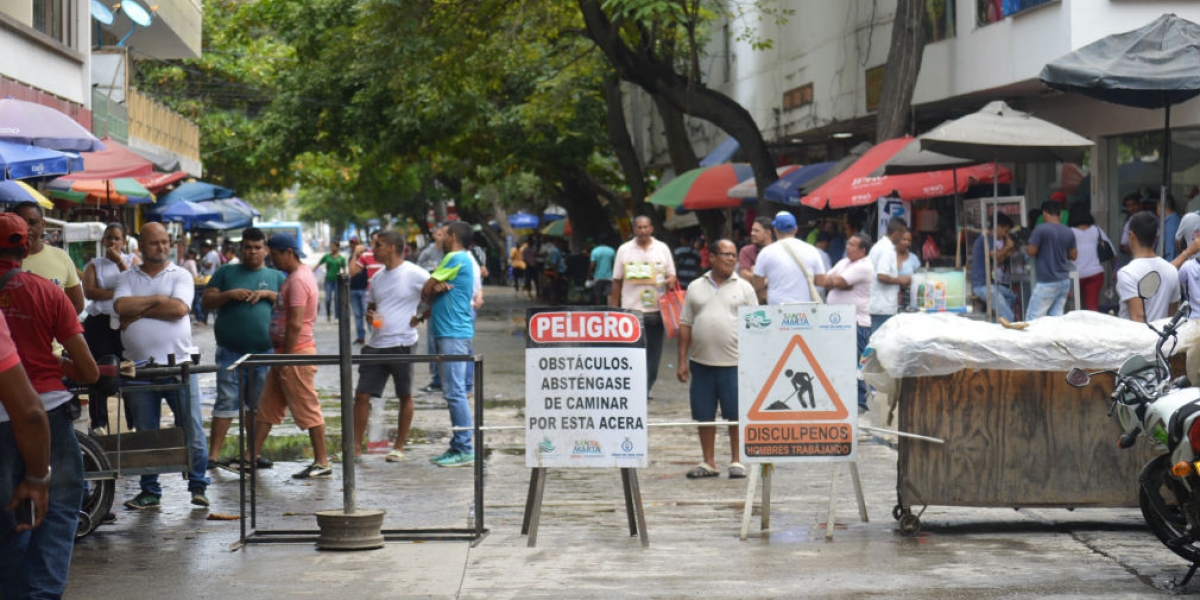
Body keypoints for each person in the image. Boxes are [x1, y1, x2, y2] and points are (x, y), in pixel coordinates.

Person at [0, 212, 95, 600]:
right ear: (25, 246)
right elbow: (88, 371)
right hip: (47, 414)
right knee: (55, 515)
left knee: (15, 519)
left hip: (2, 423)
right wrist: (56, 362)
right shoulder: (47, 292)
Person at [114, 222, 211, 509]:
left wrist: (142, 307)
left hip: (178, 365)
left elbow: (179, 309)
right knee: (146, 432)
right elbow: (121, 308)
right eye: (155, 243)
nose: (162, 247)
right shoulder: (126, 277)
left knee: (191, 427)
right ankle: (150, 491)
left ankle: (198, 485)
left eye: (165, 242)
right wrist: (159, 302)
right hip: (138, 368)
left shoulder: (180, 274)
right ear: (141, 247)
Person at [247, 234, 331, 479]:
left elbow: (295, 323)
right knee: (267, 407)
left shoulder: (298, 280)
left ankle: (322, 461)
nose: (273, 261)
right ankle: (249, 456)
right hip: (284, 353)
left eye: (275, 256)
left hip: (294, 353)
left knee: (307, 406)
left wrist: (286, 358)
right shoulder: (295, 278)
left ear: (288, 252)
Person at [201, 228, 285, 471]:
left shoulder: (276, 276)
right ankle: (213, 456)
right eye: (248, 247)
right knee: (225, 401)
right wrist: (229, 295)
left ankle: (252, 454)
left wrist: (270, 295)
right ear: (241, 249)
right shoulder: (226, 272)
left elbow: (292, 304)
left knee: (257, 405)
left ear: (265, 250)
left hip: (264, 351)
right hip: (230, 350)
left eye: (258, 248)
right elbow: (206, 300)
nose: (253, 252)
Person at [677, 239, 757, 480]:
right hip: (701, 362)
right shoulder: (695, 287)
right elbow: (686, 323)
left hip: (734, 362)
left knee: (735, 413)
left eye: (734, 255)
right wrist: (682, 359)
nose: (731, 259)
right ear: (711, 257)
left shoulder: (744, 288)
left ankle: (736, 460)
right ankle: (709, 461)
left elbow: (756, 325)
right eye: (725, 254)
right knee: (704, 414)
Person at [352, 230, 429, 462]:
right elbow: (372, 307)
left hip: (403, 342)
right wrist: (371, 316)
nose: (373, 250)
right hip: (376, 344)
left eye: (377, 246)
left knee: (404, 395)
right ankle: (355, 446)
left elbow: (439, 291)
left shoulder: (415, 273)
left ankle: (399, 447)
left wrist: (422, 317)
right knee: (362, 395)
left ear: (392, 248)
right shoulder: (377, 278)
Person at [421, 221, 477, 467]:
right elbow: (430, 290)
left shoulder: (455, 257)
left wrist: (433, 287)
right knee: (453, 391)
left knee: (455, 392)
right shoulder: (460, 259)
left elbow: (425, 289)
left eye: (443, 235)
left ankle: (464, 447)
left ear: (452, 236)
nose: (439, 239)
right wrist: (436, 288)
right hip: (450, 332)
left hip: (453, 333)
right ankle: (458, 444)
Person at [81, 222, 140, 434]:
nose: (113, 242)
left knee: (128, 368)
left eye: (117, 238)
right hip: (99, 322)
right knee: (100, 369)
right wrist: (116, 293)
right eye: (109, 237)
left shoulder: (131, 261)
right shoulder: (94, 265)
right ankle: (99, 422)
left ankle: (134, 421)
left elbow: (136, 285)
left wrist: (119, 265)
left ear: (124, 242)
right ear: (103, 241)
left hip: (124, 321)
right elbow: (89, 291)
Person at [611, 215, 676, 395]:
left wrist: (669, 280)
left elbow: (672, 275)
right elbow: (616, 281)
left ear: (652, 228)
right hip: (631, 311)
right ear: (634, 230)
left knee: (653, 355)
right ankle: (633, 389)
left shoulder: (662, 249)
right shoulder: (624, 250)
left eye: (646, 227)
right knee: (633, 353)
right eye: (639, 228)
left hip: (656, 310)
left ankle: (646, 387)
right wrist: (614, 309)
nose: (643, 231)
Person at [815, 232, 874, 412]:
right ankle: (844, 400)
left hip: (856, 322)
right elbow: (823, 280)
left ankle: (860, 403)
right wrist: (837, 283)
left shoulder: (864, 265)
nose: (847, 247)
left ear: (862, 250)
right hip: (837, 321)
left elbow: (838, 281)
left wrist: (838, 283)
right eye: (847, 244)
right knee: (838, 362)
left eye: (852, 245)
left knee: (855, 363)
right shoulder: (844, 262)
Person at [13, 202, 84, 315]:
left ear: (43, 224)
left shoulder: (61, 257)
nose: (27, 228)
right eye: (21, 222)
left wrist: (56, 326)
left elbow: (77, 304)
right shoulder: (5, 260)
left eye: (32, 223)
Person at [752, 211, 826, 306]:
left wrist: (769, 293)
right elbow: (821, 281)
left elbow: (757, 285)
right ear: (796, 229)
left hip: (777, 309)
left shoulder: (766, 252)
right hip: (806, 310)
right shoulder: (812, 250)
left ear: (775, 230)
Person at [1118, 211, 1180, 323]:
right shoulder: (1171, 270)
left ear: (1131, 235)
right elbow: (1172, 317)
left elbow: (1138, 317)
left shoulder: (1127, 273)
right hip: (1164, 338)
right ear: (1156, 238)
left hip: (1138, 339)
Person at [1025, 201, 1079, 319]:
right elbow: (1074, 255)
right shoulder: (1068, 231)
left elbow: (1031, 251)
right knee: (1055, 319)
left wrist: (1028, 245)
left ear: (1044, 214)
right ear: (1060, 215)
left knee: (1033, 319)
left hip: (1047, 282)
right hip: (1064, 281)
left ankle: (1036, 338)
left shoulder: (1040, 229)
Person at [970, 214, 1019, 321]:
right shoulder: (986, 239)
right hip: (982, 285)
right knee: (1008, 316)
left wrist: (1008, 252)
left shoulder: (989, 239)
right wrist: (1007, 247)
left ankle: (997, 321)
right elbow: (995, 257)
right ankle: (1002, 328)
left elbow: (997, 261)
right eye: (1005, 231)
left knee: (1011, 296)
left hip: (988, 283)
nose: (1005, 235)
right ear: (998, 228)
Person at [417, 225, 446, 394]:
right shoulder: (428, 253)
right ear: (434, 235)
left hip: (446, 300)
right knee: (433, 341)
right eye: (439, 234)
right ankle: (436, 378)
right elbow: (419, 270)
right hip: (432, 298)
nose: (442, 237)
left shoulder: (452, 255)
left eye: (445, 234)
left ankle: (446, 379)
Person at [867, 218, 909, 333]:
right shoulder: (886, 250)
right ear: (896, 233)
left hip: (877, 304)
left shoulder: (880, 246)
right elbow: (882, 276)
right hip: (882, 306)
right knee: (879, 341)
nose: (902, 239)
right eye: (902, 234)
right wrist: (900, 280)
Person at [1069, 208, 1114, 312]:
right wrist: (1114, 270)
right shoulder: (1096, 230)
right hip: (1095, 274)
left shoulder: (1070, 232)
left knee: (1076, 308)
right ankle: (1093, 327)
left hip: (1076, 275)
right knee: (1092, 308)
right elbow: (1112, 251)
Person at [349, 232, 385, 344]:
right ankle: (376, 344)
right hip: (373, 299)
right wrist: (355, 254)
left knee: (383, 326)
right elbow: (352, 272)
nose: (377, 244)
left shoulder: (389, 256)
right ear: (371, 242)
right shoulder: (366, 256)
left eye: (380, 242)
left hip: (387, 298)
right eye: (375, 242)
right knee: (375, 324)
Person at [347, 236, 370, 344]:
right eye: (351, 243)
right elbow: (351, 272)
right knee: (357, 315)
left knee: (368, 313)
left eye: (355, 243)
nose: (353, 245)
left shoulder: (367, 257)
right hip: (354, 288)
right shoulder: (352, 257)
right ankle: (361, 337)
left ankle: (373, 336)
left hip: (365, 289)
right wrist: (355, 255)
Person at [317, 240, 346, 321]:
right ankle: (328, 314)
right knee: (328, 299)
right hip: (328, 280)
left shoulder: (341, 258)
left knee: (337, 299)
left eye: (333, 246)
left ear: (337, 247)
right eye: (331, 246)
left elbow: (344, 270)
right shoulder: (327, 257)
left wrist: (345, 280)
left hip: (337, 281)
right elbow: (318, 264)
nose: (332, 248)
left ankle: (337, 316)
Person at [738, 216, 774, 281]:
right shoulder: (746, 251)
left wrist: (755, 272)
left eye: (756, 231)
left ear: (768, 233)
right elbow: (744, 275)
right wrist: (769, 278)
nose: (752, 233)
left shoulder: (779, 250)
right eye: (752, 230)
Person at [895, 230, 921, 310]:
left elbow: (919, 279)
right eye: (904, 239)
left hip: (908, 300)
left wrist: (910, 279)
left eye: (909, 240)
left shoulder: (914, 258)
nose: (906, 242)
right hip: (890, 298)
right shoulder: (889, 256)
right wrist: (900, 280)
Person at [589, 236, 616, 306]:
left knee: (597, 295)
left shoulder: (595, 251)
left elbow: (592, 265)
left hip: (598, 276)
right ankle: (610, 310)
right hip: (609, 276)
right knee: (609, 294)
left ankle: (599, 310)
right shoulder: (611, 250)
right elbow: (614, 264)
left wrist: (590, 273)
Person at [1163, 196, 1182, 261]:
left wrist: (1169, 265)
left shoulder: (1172, 221)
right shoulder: (1171, 220)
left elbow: (1170, 247)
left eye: (1157, 207)